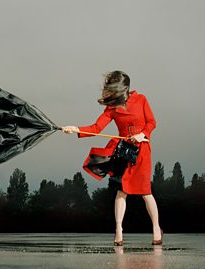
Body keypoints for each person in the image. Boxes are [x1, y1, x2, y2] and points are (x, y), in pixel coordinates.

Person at [62, 71, 163, 246]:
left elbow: (152, 122)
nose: (109, 93)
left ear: (122, 89)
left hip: (142, 150)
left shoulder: (141, 99)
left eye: (112, 90)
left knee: (145, 192)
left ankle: (156, 228)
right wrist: (75, 129)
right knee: (121, 191)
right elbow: (95, 128)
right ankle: (118, 230)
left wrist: (142, 134)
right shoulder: (111, 108)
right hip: (123, 150)